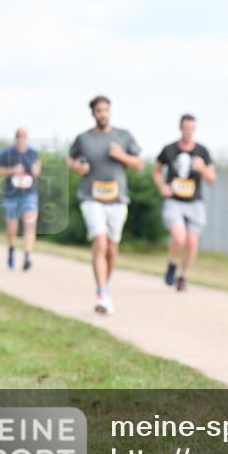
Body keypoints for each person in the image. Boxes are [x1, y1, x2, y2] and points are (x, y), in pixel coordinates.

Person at [67, 96, 143, 314]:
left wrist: (121, 155)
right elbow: (70, 160)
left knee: (111, 248)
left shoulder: (123, 136)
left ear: (110, 112)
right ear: (93, 113)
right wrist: (77, 167)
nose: (103, 114)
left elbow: (139, 164)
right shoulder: (83, 138)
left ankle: (105, 286)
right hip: (91, 197)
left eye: (106, 110)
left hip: (117, 200)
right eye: (99, 110)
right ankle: (101, 293)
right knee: (99, 242)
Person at [154, 114, 216, 292]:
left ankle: (183, 277)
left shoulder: (202, 152)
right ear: (180, 128)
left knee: (191, 242)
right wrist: (162, 186)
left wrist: (202, 168)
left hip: (195, 202)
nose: (189, 132)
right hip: (174, 201)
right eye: (186, 128)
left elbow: (212, 179)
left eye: (192, 128)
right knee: (179, 237)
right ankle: (172, 263)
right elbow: (156, 171)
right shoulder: (169, 149)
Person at [0, 128, 41, 270]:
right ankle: (11, 250)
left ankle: (27, 256)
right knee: (12, 228)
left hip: (29, 194)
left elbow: (38, 171)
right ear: (15, 138)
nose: (21, 139)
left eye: (24, 137)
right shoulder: (6, 153)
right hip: (11, 195)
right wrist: (12, 170)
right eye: (19, 137)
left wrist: (34, 169)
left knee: (30, 223)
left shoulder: (33, 153)